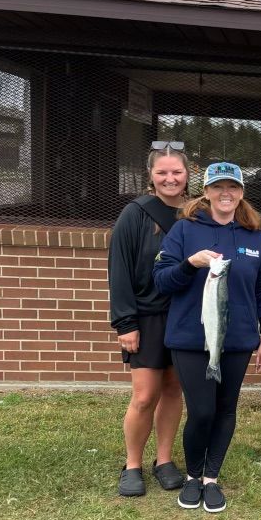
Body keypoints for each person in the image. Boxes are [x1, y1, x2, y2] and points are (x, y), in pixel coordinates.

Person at [153, 162, 261, 513]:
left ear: (241, 193)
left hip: (237, 339)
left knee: (226, 409)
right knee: (202, 410)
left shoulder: (255, 236)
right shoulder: (183, 231)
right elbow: (161, 281)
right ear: (205, 192)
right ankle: (193, 475)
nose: (227, 193)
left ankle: (211, 477)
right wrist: (189, 263)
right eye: (218, 187)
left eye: (234, 187)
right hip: (192, 340)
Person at [108, 141, 190, 497]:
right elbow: (119, 270)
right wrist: (125, 323)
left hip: (185, 316)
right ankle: (132, 465)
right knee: (144, 395)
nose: (170, 178)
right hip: (146, 316)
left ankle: (164, 460)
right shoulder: (135, 214)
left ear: (189, 175)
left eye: (177, 172)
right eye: (163, 172)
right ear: (151, 176)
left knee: (174, 389)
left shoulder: (195, 213)